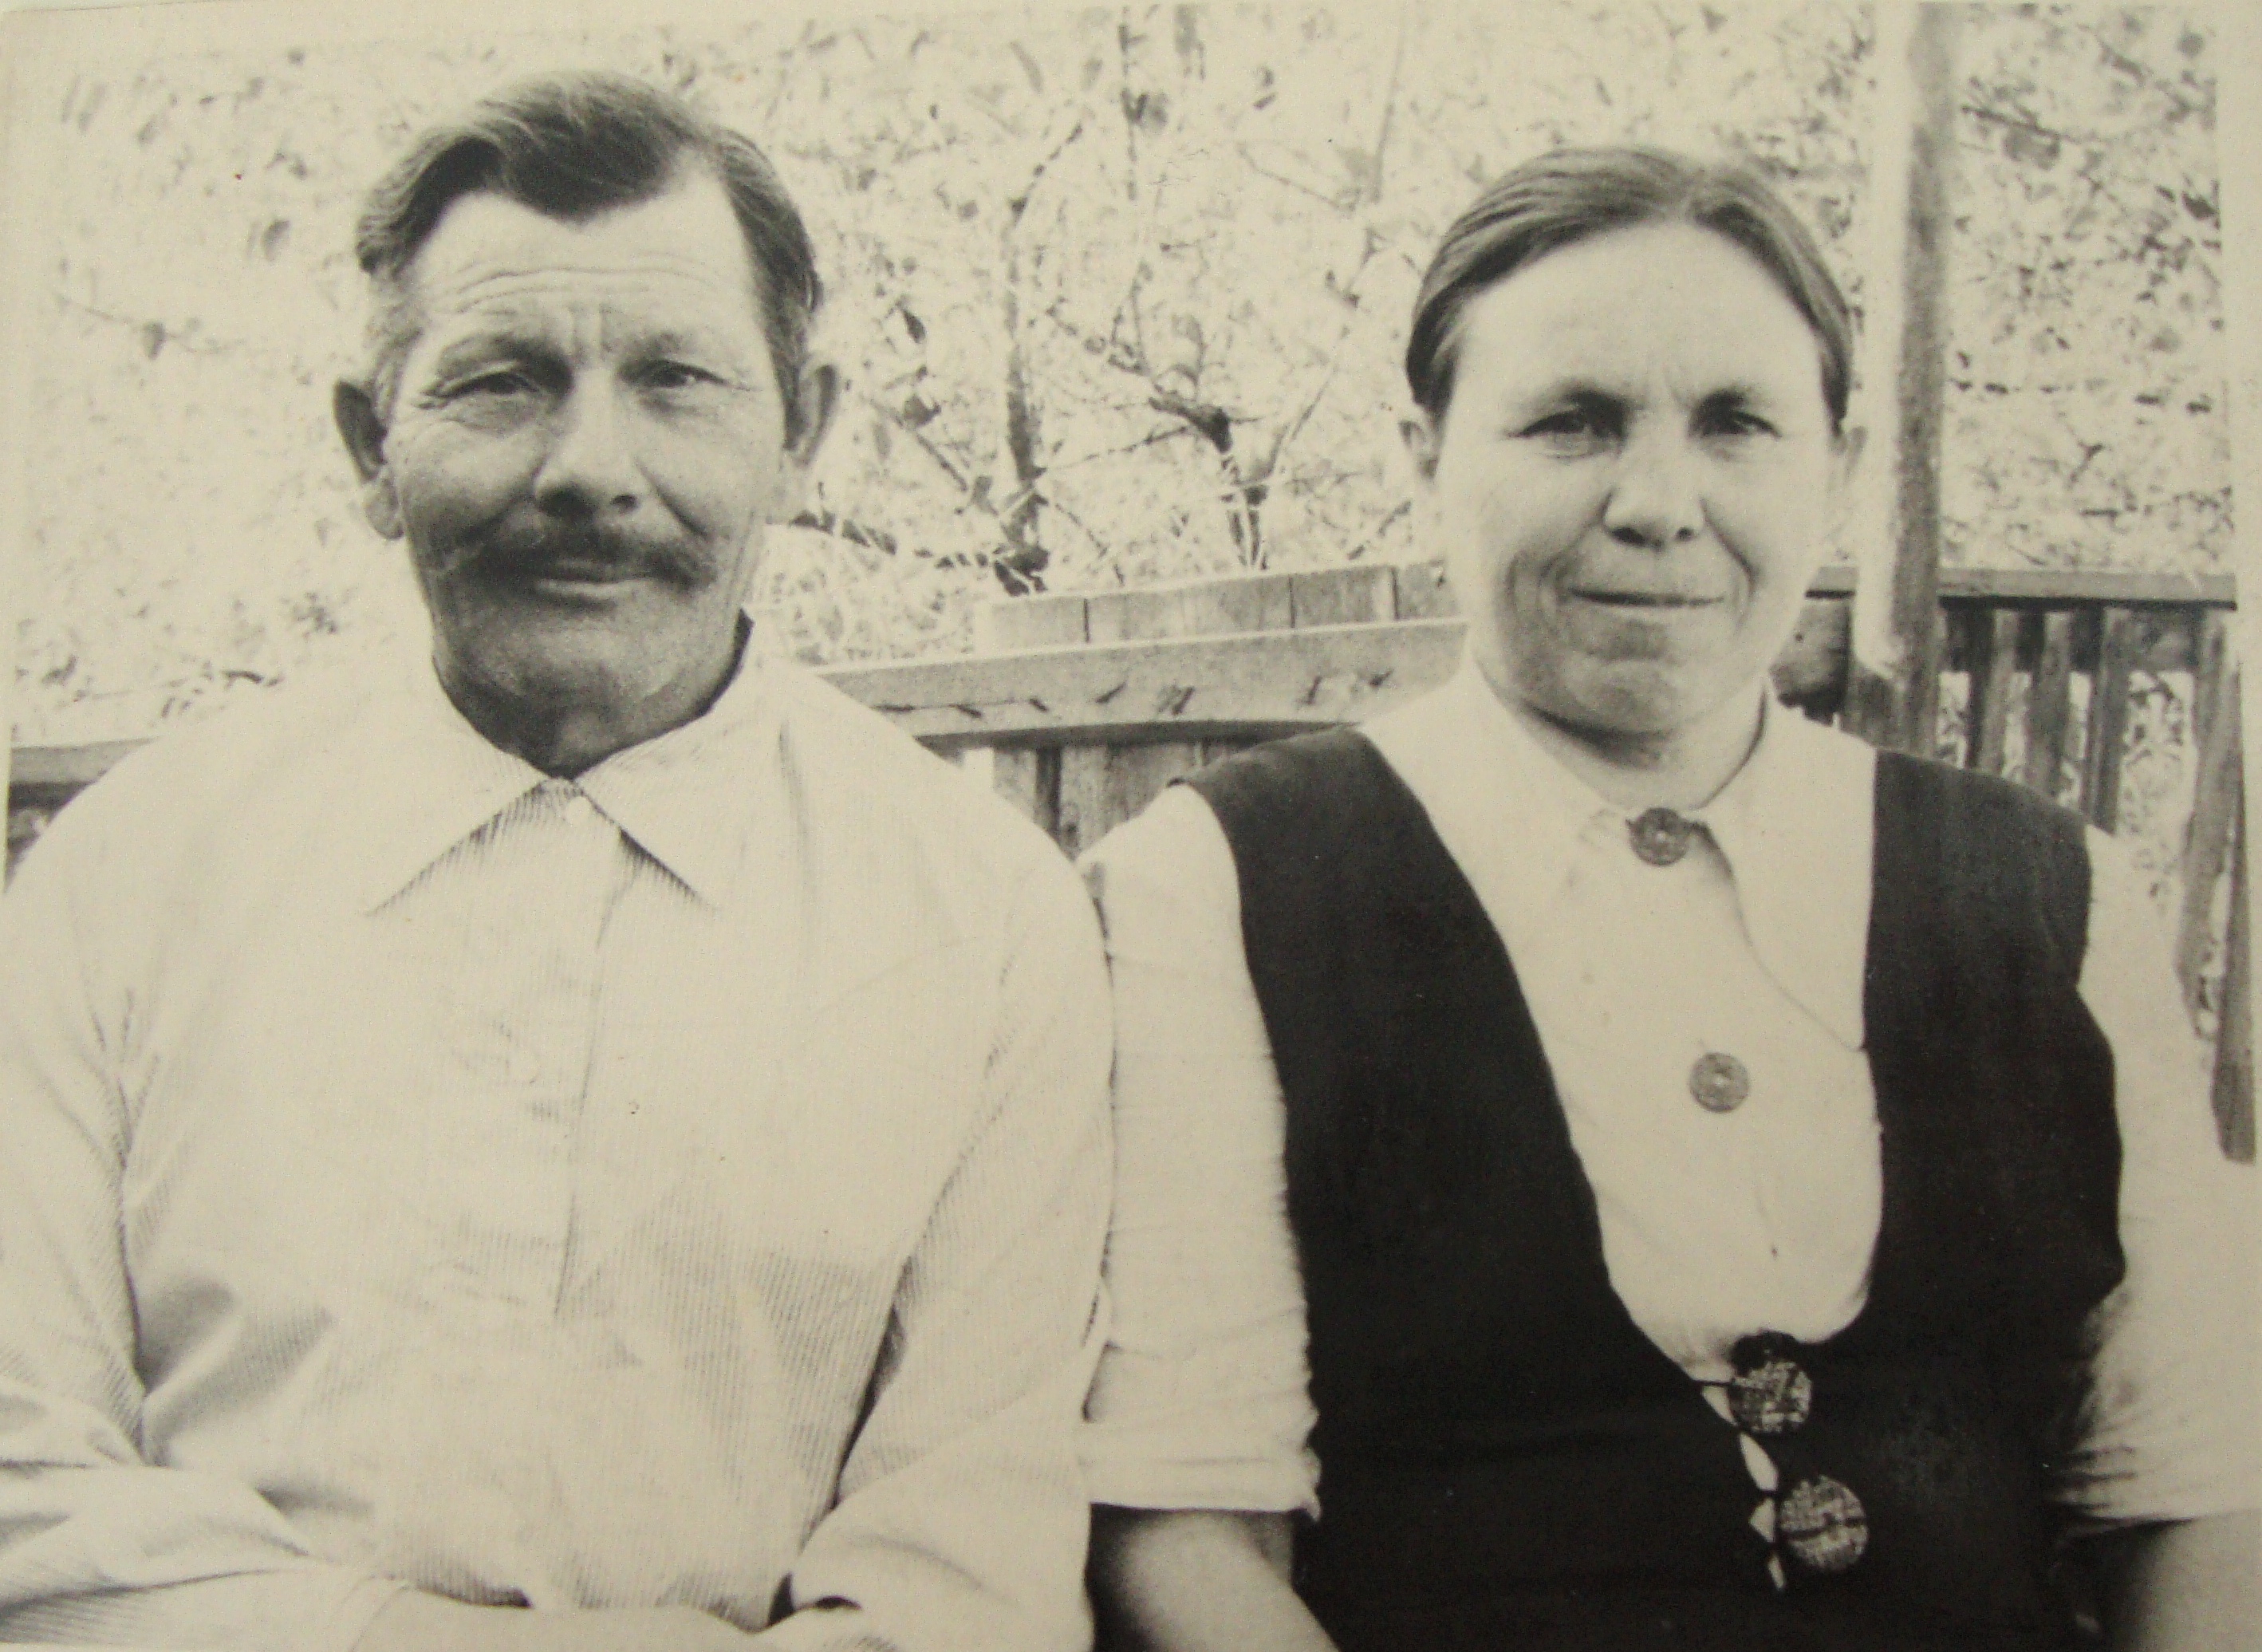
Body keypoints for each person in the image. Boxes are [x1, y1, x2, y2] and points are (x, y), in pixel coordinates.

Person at [1079, 147, 2258, 1651]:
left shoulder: (2047, 892)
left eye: (1737, 424)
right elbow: (1189, 1535)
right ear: (1424, 460)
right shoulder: (1219, 887)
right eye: (1571, 423)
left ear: (1835, 466)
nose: (1658, 504)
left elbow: (2198, 1489)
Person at [0, 72, 1112, 1652]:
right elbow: (22, 1497)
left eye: (678, 380)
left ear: (802, 434)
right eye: (501, 382)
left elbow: (967, 1579)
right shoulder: (123, 879)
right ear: (369, 445)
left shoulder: (984, 924)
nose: (591, 465)